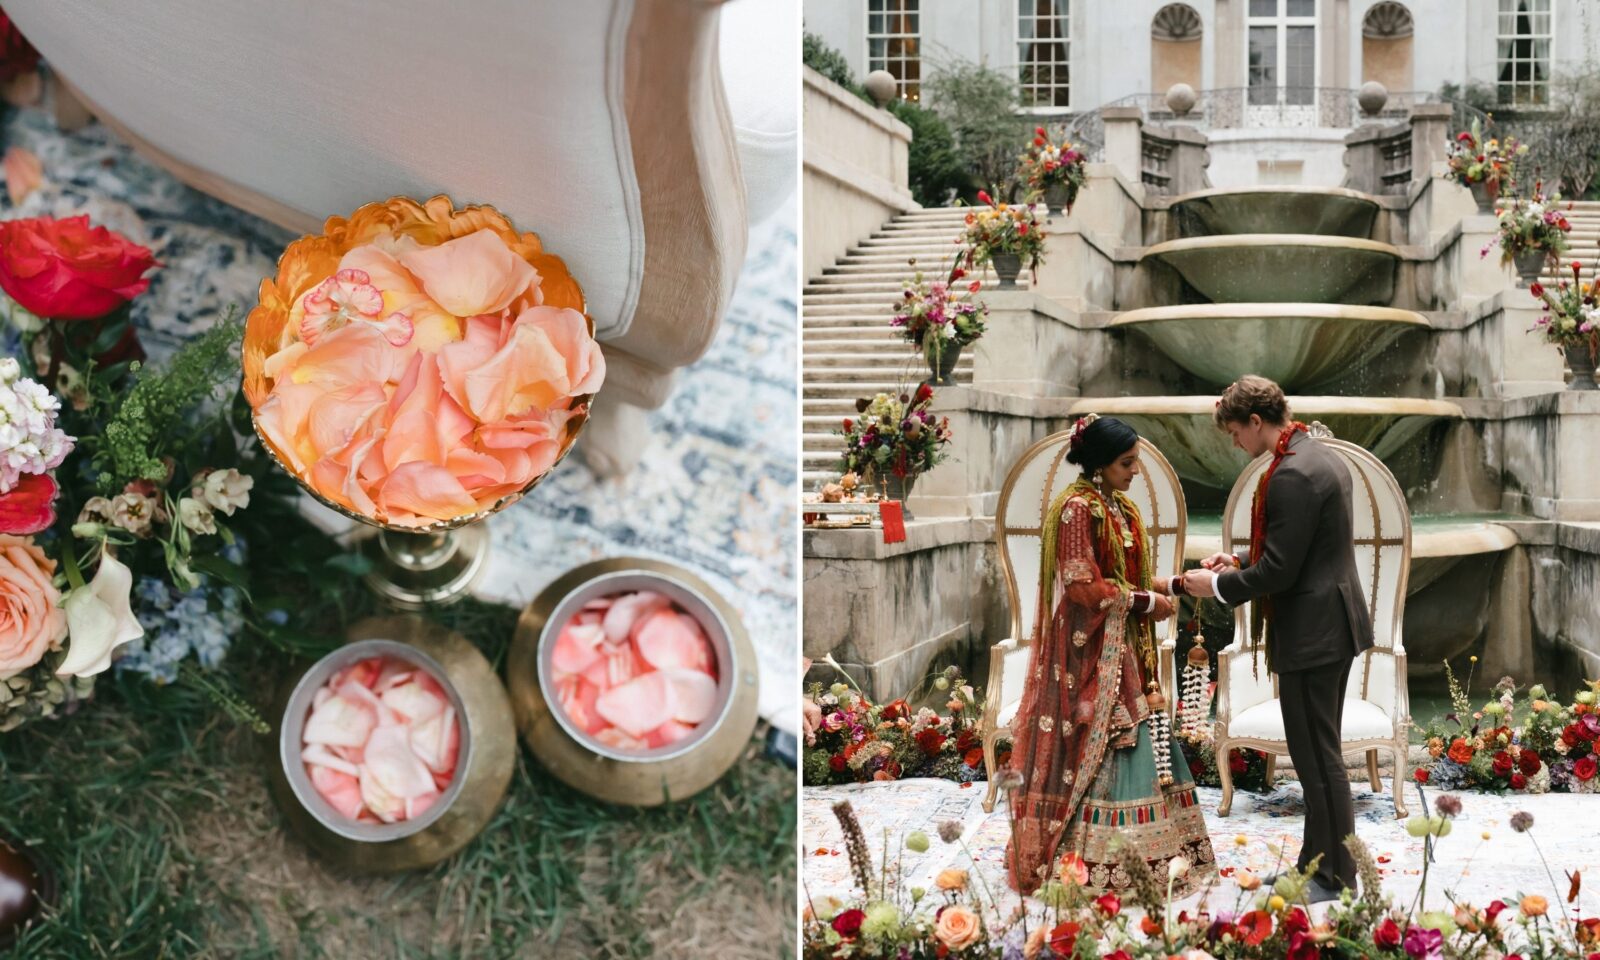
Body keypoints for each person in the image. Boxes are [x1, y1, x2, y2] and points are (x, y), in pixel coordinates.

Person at [1182, 375, 1375, 902]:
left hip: (1315, 632)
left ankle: (1333, 878)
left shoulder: (1291, 473)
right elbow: (1298, 548)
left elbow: (1282, 573)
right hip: (1330, 623)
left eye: (1234, 433)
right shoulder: (1318, 455)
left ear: (1256, 423)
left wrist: (1218, 585)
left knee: (1318, 760)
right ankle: (1316, 865)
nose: (1235, 443)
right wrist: (1241, 559)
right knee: (1319, 754)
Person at [1006, 414, 1216, 897]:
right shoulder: (1077, 510)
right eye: (1127, 462)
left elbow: (1127, 575)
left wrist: (1178, 584)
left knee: (1137, 730)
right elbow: (1082, 587)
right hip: (1090, 645)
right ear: (1100, 464)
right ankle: (1094, 863)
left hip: (1120, 640)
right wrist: (1147, 602)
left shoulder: (1117, 507)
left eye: (1136, 460)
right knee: (1110, 734)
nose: (1136, 471)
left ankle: (1152, 855)